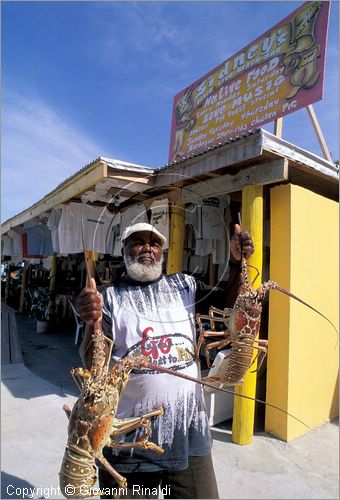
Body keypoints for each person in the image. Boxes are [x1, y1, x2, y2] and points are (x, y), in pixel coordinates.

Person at [77, 221, 254, 499]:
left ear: (162, 253)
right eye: (138, 241)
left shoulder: (184, 285)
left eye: (155, 243)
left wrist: (234, 263)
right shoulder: (108, 298)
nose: (148, 247)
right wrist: (91, 321)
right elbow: (92, 365)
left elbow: (228, 308)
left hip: (190, 435)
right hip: (130, 445)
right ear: (124, 249)